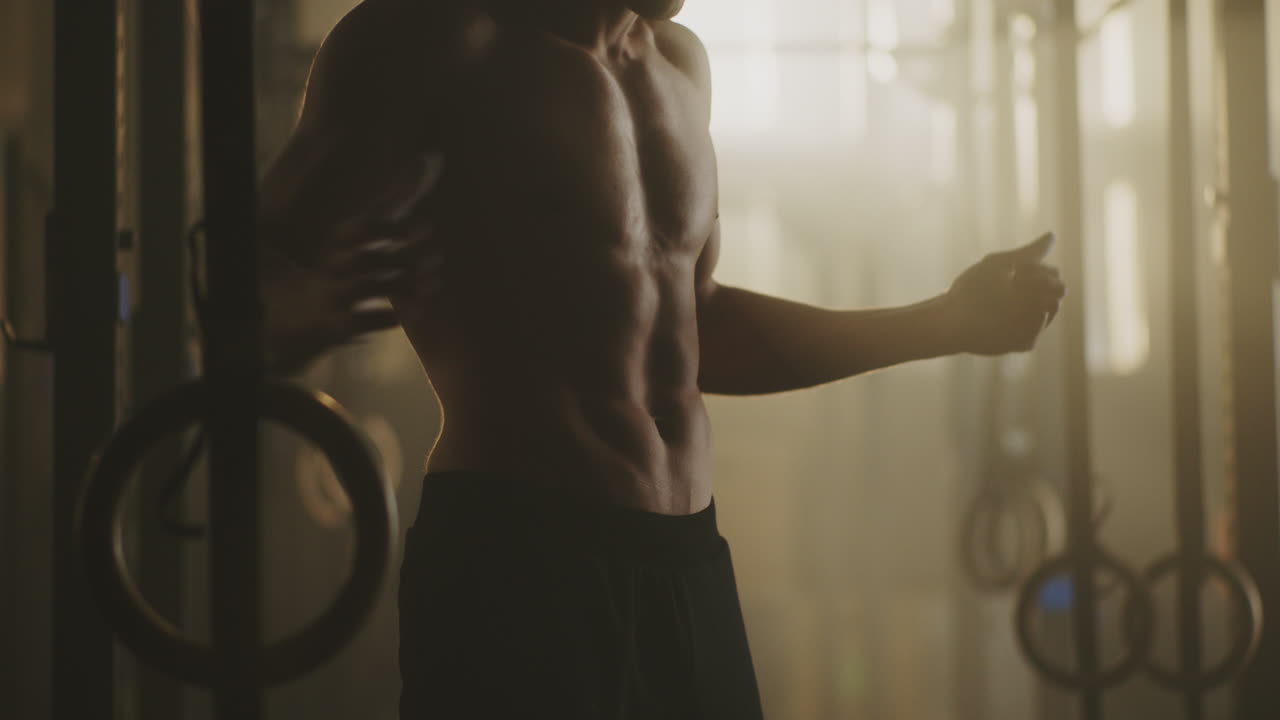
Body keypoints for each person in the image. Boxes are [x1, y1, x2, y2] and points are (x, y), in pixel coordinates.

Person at [256, 0, 1066, 717]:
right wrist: (311, 311)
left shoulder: (680, 65)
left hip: (686, 563)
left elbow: (699, 325)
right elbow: (244, 291)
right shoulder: (431, 37)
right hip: (518, 559)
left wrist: (947, 323)